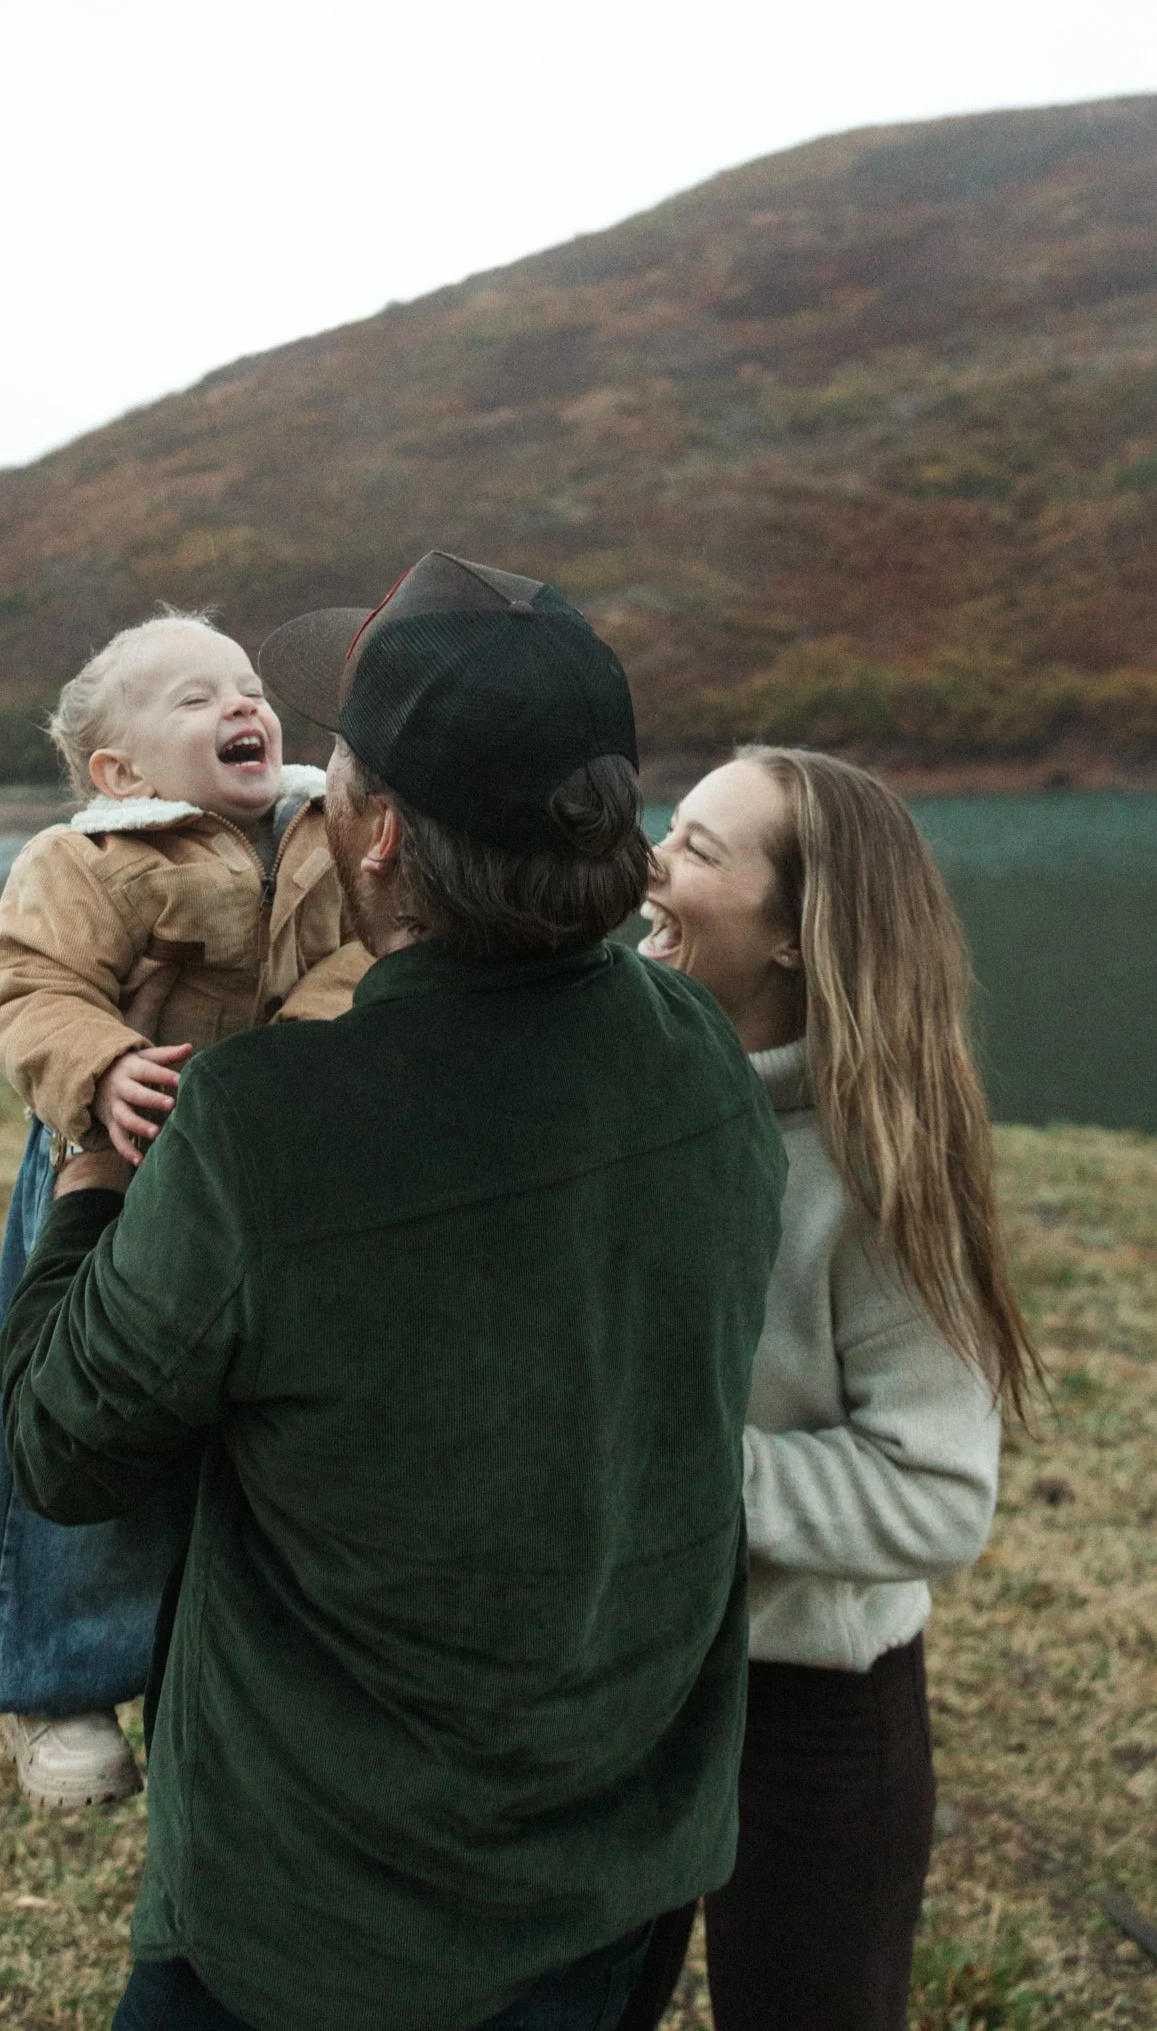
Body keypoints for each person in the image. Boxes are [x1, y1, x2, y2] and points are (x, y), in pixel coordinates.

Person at [0, 551, 788, 2031]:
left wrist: (94, 1155)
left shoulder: (264, 1129)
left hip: (320, 1910)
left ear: (376, 844)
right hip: (616, 1857)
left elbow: (62, 1442)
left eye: (337, 766)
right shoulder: (694, 1049)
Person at [625, 745, 1041, 2031]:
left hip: (809, 1716)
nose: (650, 864)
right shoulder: (618, 1081)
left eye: (698, 848)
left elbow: (937, 1496)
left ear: (800, 935)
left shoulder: (881, 1171)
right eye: (666, 825)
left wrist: (656, 1471)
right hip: (620, 1683)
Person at [0, 608, 368, 1808]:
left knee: (248, 1412)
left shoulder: (324, 826)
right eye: (196, 698)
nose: (244, 706)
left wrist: (306, 1044)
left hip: (271, 1162)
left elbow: (368, 956)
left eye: (249, 686)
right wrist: (98, 1066)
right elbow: (26, 984)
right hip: (123, 1148)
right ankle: (58, 1680)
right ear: (118, 770)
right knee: (74, 1405)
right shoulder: (85, 856)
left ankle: (225, 1659)